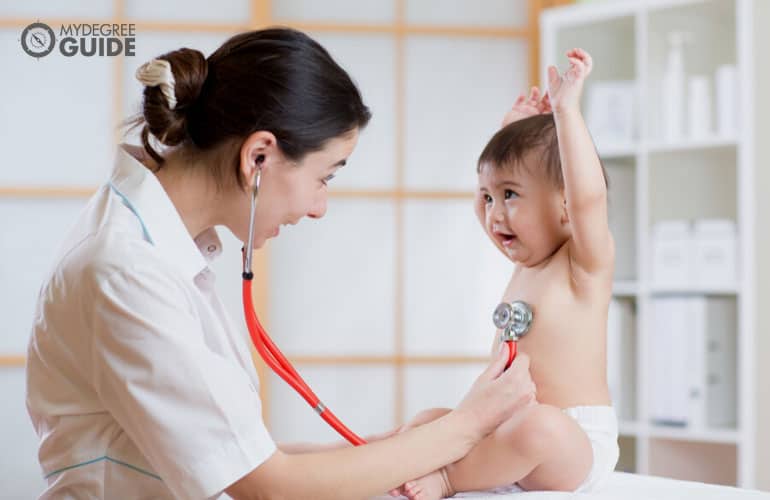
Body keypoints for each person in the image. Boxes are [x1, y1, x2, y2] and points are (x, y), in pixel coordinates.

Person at [24, 28, 537, 500]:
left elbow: (242, 459)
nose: (319, 207)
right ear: (259, 157)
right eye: (325, 177)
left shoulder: (160, 247)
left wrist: (385, 449)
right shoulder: (126, 269)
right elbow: (268, 487)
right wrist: (467, 425)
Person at [391, 49, 619, 500]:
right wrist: (509, 133)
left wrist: (566, 111)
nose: (494, 213)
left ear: (566, 207)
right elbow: (498, 189)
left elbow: (589, 198)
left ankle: (450, 479)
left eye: (510, 194)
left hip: (570, 441)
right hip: (507, 428)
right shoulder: (524, 265)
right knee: (429, 421)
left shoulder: (581, 265)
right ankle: (388, 464)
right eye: (486, 197)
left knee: (538, 426)